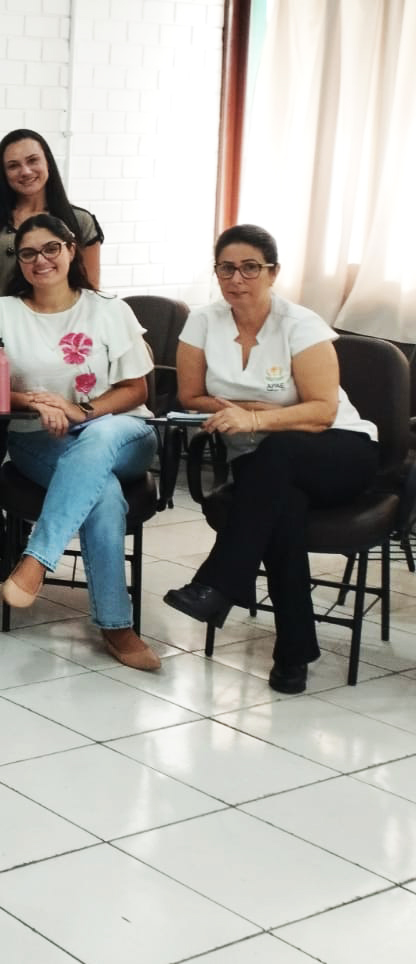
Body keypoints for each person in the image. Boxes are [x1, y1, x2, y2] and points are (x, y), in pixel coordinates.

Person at [164, 224, 379, 694]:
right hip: (264, 462)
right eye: (226, 268)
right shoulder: (202, 321)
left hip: (339, 451)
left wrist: (258, 420)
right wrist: (254, 413)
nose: (236, 278)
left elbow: (323, 412)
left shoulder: (300, 324)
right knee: (280, 508)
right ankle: (293, 653)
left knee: (275, 457)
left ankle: (220, 584)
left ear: (273, 272)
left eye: (250, 268)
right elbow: (190, 395)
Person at [0, 214, 161, 670]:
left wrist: (82, 411)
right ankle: (116, 626)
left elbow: (137, 390)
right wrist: (31, 400)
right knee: (102, 492)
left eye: (51, 248)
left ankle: (38, 557)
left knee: (101, 435)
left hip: (124, 434)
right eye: (27, 253)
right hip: (39, 441)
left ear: (71, 249)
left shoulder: (109, 309)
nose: (40, 260)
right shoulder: (2, 313)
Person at [0, 128, 105, 577]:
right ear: (2, 173)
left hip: (55, 354)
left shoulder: (78, 221)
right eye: (13, 165)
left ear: (48, 164)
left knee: (42, 441)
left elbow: (93, 294)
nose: (25, 171)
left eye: (32, 160)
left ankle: (26, 541)